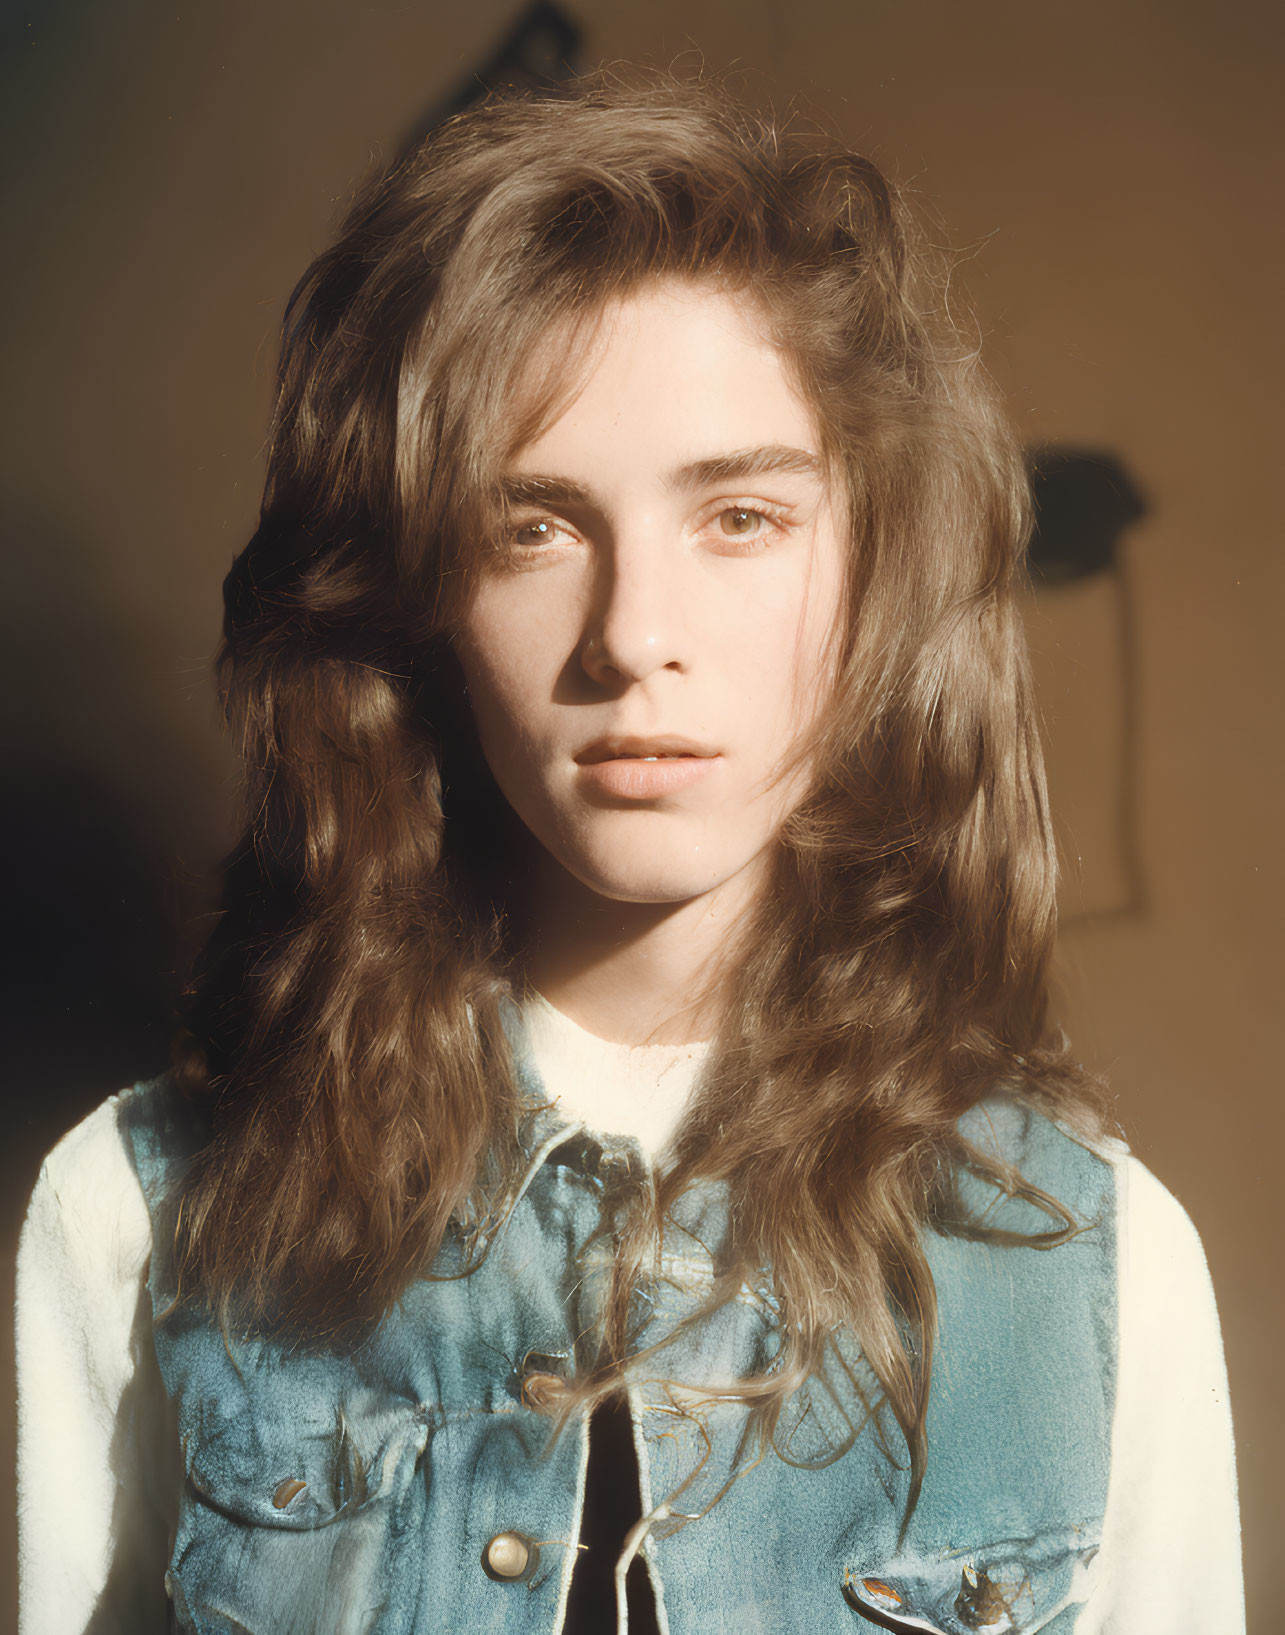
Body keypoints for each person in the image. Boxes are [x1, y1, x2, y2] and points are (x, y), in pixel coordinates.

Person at [16, 70, 1243, 1635]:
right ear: (420, 605)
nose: (632, 638)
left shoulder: (1090, 1261)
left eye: (739, 518)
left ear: (872, 576)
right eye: (532, 525)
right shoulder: (141, 1219)